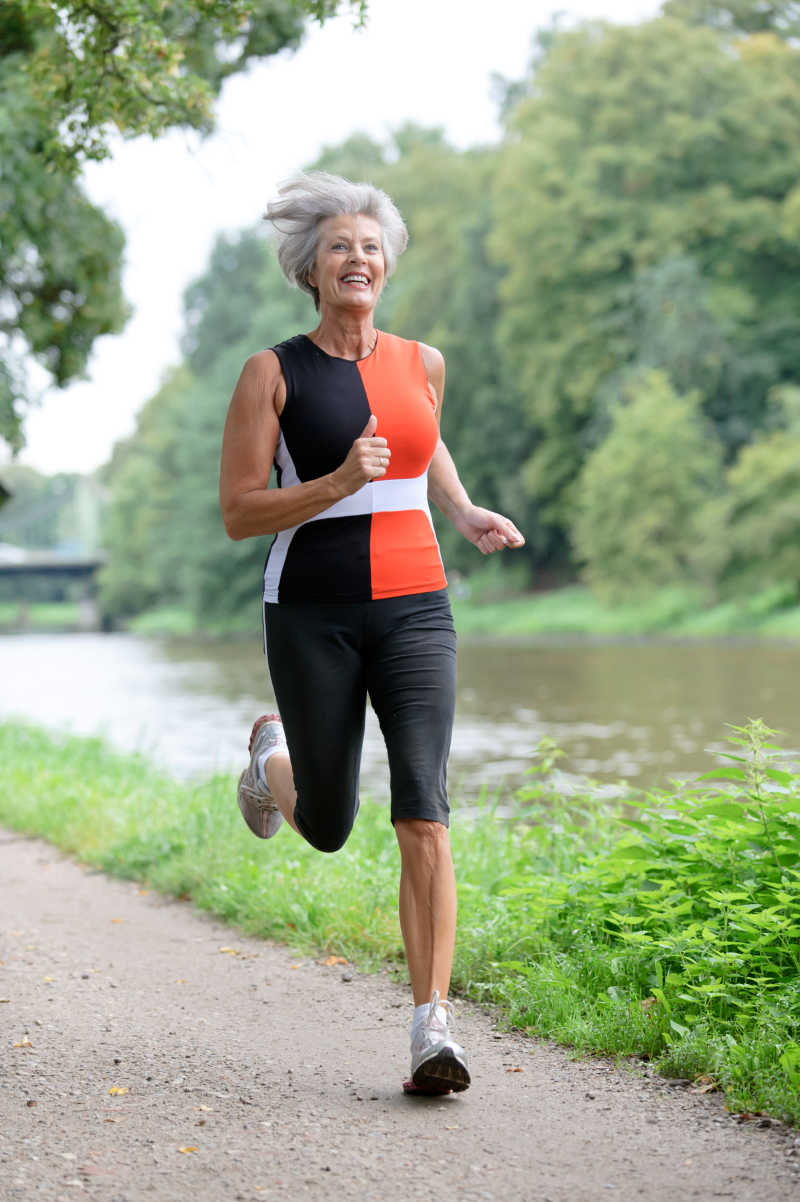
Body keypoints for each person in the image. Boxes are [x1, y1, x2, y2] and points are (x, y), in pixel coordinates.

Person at [219, 171, 525, 1095]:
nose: (360, 258)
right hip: (309, 612)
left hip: (417, 607)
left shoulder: (422, 361)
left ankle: (434, 1028)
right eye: (341, 246)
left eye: (372, 245)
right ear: (310, 270)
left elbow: (423, 438)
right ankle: (271, 755)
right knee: (326, 822)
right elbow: (239, 512)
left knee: (424, 811)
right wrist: (335, 485)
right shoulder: (272, 373)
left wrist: (463, 510)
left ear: (387, 265)